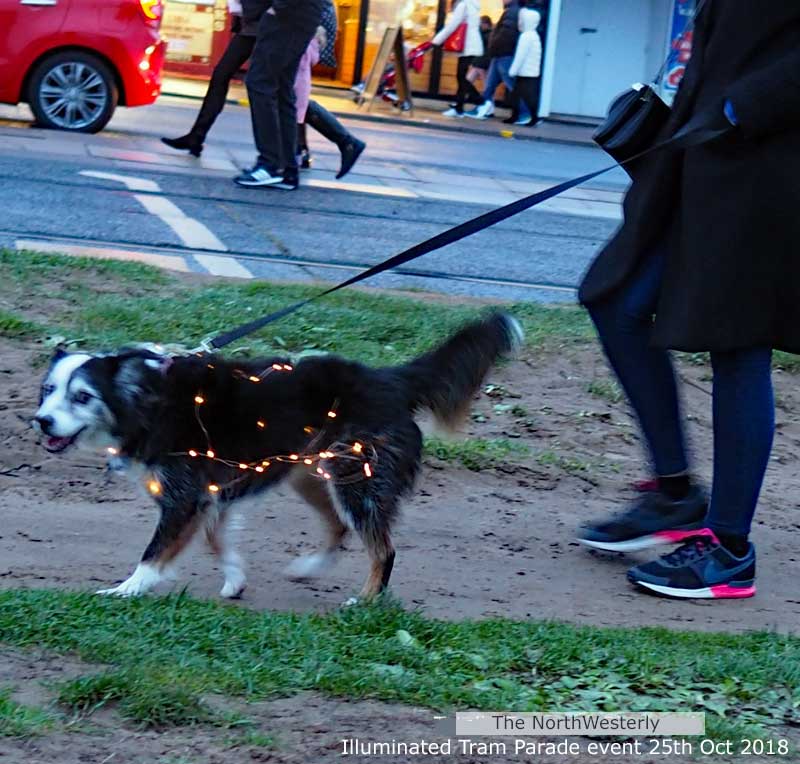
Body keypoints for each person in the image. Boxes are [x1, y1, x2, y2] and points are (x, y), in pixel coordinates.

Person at [576, 1, 800, 600]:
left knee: (738, 343)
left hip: (766, 171)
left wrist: (743, 105)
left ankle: (728, 550)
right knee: (616, 299)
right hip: (700, 160)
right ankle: (676, 493)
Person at [234, 0, 325, 189]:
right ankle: (286, 169)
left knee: (260, 83)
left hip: (287, 17)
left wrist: (279, 7)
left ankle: (271, 165)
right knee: (282, 89)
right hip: (293, 16)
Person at [161, 0, 258, 157]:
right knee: (220, 76)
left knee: (274, 87)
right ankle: (196, 136)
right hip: (249, 26)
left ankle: (294, 147)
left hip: (263, 26)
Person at [466, 0, 530, 125]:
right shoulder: (511, 10)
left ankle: (525, 113)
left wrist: (495, 47)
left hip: (504, 54)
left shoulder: (512, 11)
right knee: (489, 85)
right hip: (499, 55)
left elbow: (507, 35)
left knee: (511, 84)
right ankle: (485, 108)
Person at [432, 0, 484, 118]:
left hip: (467, 45)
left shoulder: (463, 5)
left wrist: (436, 40)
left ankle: (478, 101)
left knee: (461, 77)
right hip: (473, 44)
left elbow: (452, 25)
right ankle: (461, 106)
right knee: (462, 77)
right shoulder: (474, 5)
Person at [507, 6, 541, 126]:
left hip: (525, 72)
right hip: (530, 72)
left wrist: (512, 70)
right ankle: (517, 116)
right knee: (519, 96)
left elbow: (520, 56)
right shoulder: (534, 35)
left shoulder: (526, 37)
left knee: (523, 97)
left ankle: (532, 118)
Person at [465, 16, 493, 93]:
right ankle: (461, 99)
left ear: (486, 24)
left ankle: (486, 101)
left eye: (481, 24)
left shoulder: (489, 34)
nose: (480, 26)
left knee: (486, 83)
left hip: (482, 62)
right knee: (467, 81)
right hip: (479, 62)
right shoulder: (484, 33)